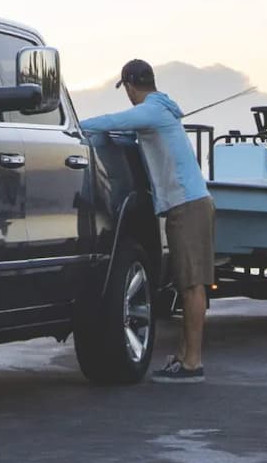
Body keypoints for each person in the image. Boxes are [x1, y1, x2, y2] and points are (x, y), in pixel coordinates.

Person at [79, 59, 214, 383]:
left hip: (189, 206)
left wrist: (73, 128)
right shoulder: (159, 111)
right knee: (189, 285)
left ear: (129, 85)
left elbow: (112, 121)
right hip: (190, 204)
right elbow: (125, 128)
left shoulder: (151, 111)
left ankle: (193, 363)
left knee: (192, 286)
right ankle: (185, 357)